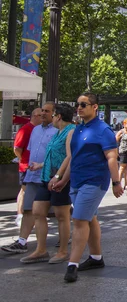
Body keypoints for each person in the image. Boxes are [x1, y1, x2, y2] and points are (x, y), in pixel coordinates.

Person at [47, 93, 124, 283]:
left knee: (79, 220)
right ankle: (96, 258)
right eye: (78, 104)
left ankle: (72, 265)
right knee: (90, 219)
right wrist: (63, 180)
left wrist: (116, 182)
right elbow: (74, 158)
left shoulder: (103, 130)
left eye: (84, 104)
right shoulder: (78, 129)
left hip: (94, 182)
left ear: (95, 107)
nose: (79, 108)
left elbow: (111, 157)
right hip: (76, 182)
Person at [19, 103, 76, 264]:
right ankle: (41, 250)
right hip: (46, 177)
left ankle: (63, 251)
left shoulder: (70, 131)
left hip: (59, 179)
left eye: (52, 113)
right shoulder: (58, 132)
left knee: (61, 215)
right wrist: (40, 165)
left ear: (58, 116)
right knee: (37, 211)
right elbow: (52, 155)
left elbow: (69, 156)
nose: (49, 116)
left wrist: (58, 176)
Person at [2, 103, 57, 255]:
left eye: (46, 112)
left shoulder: (57, 131)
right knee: (28, 210)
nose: (43, 114)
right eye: (42, 112)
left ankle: (61, 241)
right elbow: (30, 151)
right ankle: (22, 242)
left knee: (58, 212)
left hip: (49, 177)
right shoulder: (35, 130)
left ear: (53, 114)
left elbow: (59, 156)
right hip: (33, 176)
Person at [13, 108, 42, 228]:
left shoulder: (38, 130)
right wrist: (23, 160)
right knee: (24, 191)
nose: (43, 116)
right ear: (35, 116)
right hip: (26, 166)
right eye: (41, 115)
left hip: (35, 166)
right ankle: (20, 215)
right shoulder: (26, 129)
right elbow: (17, 148)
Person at [115, 119, 127, 189]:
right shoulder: (121, 132)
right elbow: (115, 141)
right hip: (123, 151)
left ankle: (126, 184)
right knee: (122, 167)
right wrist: (116, 152)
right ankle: (118, 183)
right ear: (124, 124)